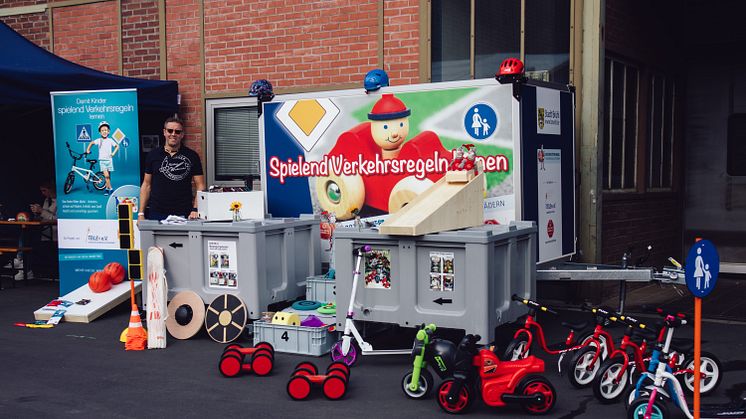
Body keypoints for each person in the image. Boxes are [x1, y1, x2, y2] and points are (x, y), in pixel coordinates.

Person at [139, 116, 205, 221]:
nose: (173, 134)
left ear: (182, 134)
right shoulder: (153, 155)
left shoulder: (192, 156)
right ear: (164, 132)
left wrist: (195, 209)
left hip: (184, 213)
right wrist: (141, 213)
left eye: (177, 132)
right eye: (170, 131)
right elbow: (146, 185)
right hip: (157, 213)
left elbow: (200, 185)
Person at [86, 121, 120, 195]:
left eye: (105, 130)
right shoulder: (99, 140)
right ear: (100, 132)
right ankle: (111, 188)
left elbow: (117, 146)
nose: (104, 132)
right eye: (102, 130)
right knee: (106, 176)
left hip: (109, 160)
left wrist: (113, 153)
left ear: (108, 131)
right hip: (102, 161)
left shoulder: (110, 140)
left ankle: (107, 189)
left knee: (108, 176)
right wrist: (87, 150)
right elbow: (91, 143)